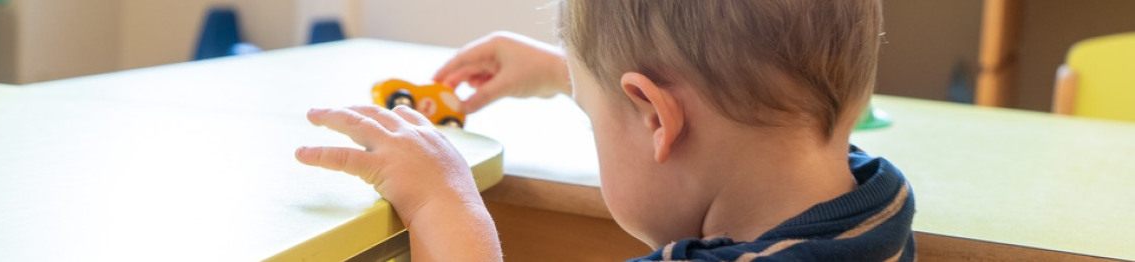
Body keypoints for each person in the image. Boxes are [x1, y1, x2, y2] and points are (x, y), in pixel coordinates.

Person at [295, 0, 914, 260]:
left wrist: (442, 202)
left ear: (655, 118)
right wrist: (575, 74)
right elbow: (765, 104)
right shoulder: (878, 202)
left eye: (595, 119)